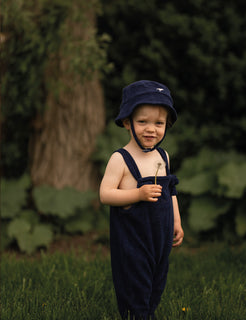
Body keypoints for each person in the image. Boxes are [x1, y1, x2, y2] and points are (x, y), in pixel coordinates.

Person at [99, 80, 184, 319]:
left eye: (159, 123)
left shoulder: (162, 156)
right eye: (142, 122)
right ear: (127, 122)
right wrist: (138, 194)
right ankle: (137, 314)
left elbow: (171, 191)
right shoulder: (120, 159)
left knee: (156, 281)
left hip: (160, 236)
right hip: (132, 239)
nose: (151, 129)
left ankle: (147, 311)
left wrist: (176, 222)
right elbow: (105, 194)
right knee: (134, 283)